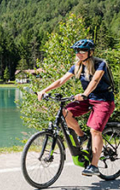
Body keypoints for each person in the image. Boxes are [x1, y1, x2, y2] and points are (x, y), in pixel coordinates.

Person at [38, 39, 115, 177]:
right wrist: (44, 90)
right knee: (64, 112)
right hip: (88, 99)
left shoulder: (100, 64)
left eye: (82, 51)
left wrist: (85, 94)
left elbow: (95, 80)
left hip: (103, 101)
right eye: (77, 51)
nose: (79, 54)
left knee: (95, 130)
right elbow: (61, 80)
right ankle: (81, 135)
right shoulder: (77, 66)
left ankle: (94, 166)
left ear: (90, 52)